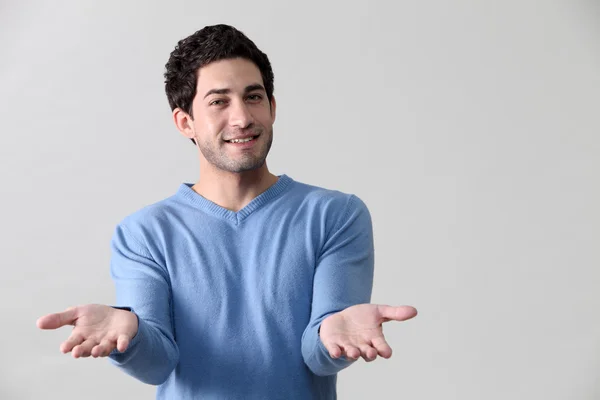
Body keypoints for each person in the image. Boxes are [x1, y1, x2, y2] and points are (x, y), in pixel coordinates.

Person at [36, 24, 418, 399]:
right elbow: (157, 365)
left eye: (253, 97)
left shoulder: (335, 215)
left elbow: (318, 357)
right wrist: (129, 333)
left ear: (272, 107)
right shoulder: (144, 233)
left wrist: (333, 334)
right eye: (219, 101)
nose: (242, 118)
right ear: (185, 122)